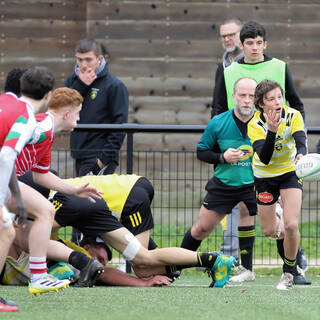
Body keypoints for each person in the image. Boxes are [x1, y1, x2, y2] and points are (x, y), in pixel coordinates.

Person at [19, 171, 236, 288]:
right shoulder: (72, 209)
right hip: (103, 201)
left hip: (126, 195)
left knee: (142, 265)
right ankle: (213, 261)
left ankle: (208, 262)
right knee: (143, 260)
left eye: (103, 259)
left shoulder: (45, 210)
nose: (104, 261)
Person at [0, 66, 70, 304]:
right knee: (9, 229)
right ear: (49, 96)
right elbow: (7, 156)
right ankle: (39, 276)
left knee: (7, 231)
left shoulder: (4, 102)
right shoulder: (28, 118)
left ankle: (39, 276)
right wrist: (15, 197)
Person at [181, 77, 257, 282]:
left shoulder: (264, 122)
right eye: (242, 95)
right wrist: (222, 157)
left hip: (254, 184)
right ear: (233, 97)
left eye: (252, 96)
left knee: (276, 225)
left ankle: (255, 270)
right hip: (223, 184)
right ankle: (175, 265)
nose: (247, 100)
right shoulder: (218, 122)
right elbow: (202, 152)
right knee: (201, 228)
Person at [247, 80, 308, 290]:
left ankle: (288, 272)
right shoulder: (254, 125)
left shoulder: (293, 115)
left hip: (290, 172)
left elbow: (301, 139)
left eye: (279, 97)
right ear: (261, 104)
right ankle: (277, 212)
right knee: (270, 231)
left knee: (291, 225)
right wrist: (272, 130)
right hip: (264, 177)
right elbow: (264, 158)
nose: (277, 102)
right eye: (271, 99)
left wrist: (301, 154)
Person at [212, 21, 305, 120]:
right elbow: (218, 109)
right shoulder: (227, 72)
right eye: (250, 43)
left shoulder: (280, 67)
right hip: (238, 133)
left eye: (259, 43)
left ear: (265, 44)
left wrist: (300, 132)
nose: (255, 48)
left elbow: (296, 105)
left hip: (275, 132)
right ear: (241, 45)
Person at [65, 38, 128, 176]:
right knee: (83, 197)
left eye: (88, 60)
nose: (83, 65)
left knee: (92, 197)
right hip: (79, 153)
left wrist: (102, 160)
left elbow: (120, 127)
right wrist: (81, 85)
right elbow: (63, 109)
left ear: (99, 59)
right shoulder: (72, 80)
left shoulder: (115, 86)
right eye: (79, 60)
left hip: (99, 156)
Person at [211, 18, 244, 264]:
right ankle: (230, 258)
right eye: (224, 35)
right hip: (229, 141)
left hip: (257, 140)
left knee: (272, 202)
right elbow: (218, 105)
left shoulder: (259, 65)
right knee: (230, 201)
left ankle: (295, 258)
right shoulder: (221, 67)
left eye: (232, 34)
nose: (227, 39)